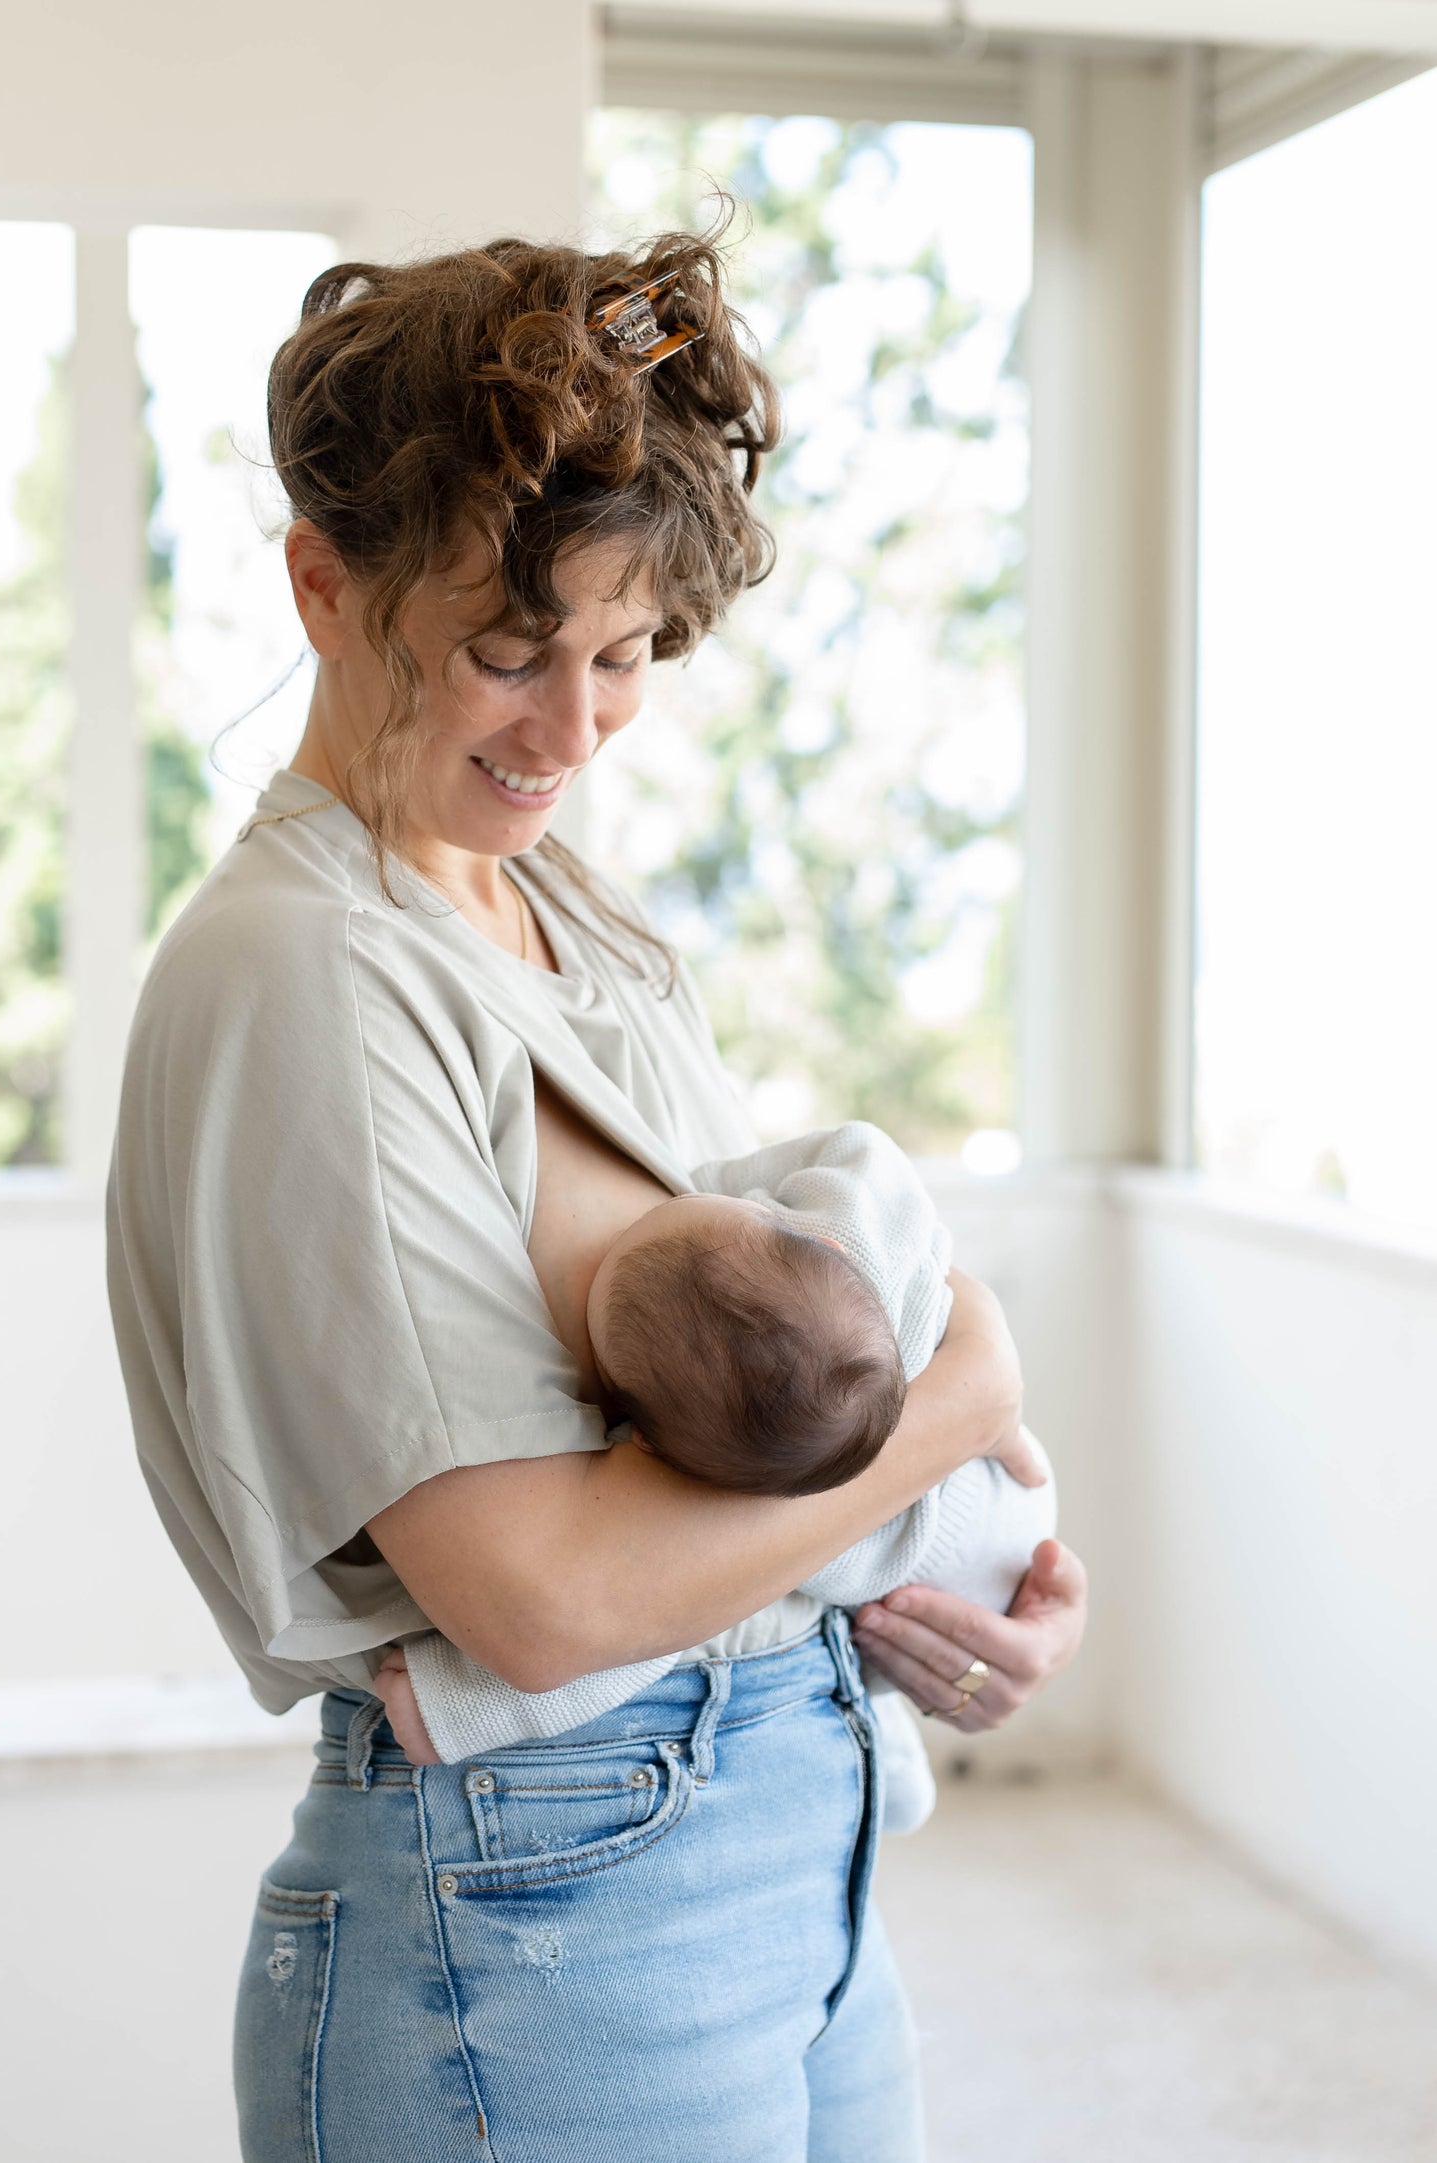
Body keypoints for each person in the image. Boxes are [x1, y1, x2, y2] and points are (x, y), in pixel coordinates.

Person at [105, 232, 1088, 2163]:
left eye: (622, 656)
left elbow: (759, 1419)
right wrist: (960, 1405)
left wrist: (940, 1585)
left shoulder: (576, 918)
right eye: (502, 652)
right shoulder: (307, 968)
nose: (569, 732)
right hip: (541, 1907)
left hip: (794, 1822)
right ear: (324, 585)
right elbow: (541, 1598)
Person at [370, 1116, 1058, 1844]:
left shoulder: (741, 1490)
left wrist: (458, 1705)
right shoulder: (871, 1265)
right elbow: (865, 1151)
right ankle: (882, 1741)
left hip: (966, 1542)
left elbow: (644, 1633)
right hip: (1012, 1512)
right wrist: (737, 1199)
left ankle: (888, 1748)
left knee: (764, 1597)